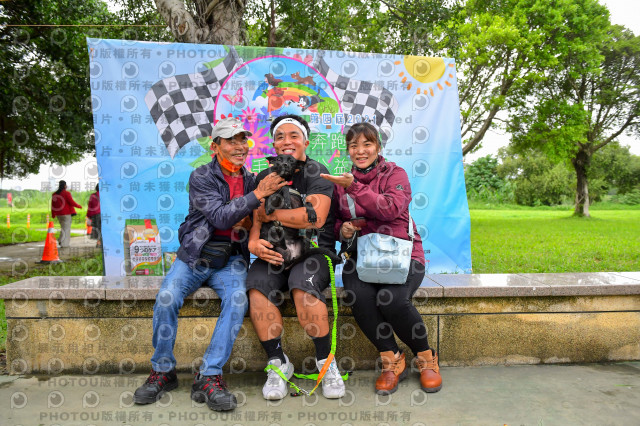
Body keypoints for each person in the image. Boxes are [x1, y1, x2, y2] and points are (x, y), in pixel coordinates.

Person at [133, 117, 286, 411]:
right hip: (194, 256)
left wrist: (252, 212)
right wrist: (254, 198)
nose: (240, 147)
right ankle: (163, 370)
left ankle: (210, 375)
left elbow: (257, 218)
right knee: (166, 298)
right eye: (231, 141)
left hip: (231, 259)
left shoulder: (253, 179)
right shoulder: (202, 176)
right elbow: (219, 217)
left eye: (243, 140)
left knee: (238, 300)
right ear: (215, 147)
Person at [321, 122, 442, 395]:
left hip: (402, 254)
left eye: (367, 144)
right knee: (359, 297)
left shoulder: (395, 173)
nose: (360, 151)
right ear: (348, 150)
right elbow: (336, 221)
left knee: (392, 299)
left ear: (378, 146)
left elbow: (390, 209)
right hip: (362, 256)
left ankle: (426, 359)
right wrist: (343, 229)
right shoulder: (340, 185)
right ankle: (392, 361)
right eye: (354, 146)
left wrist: (354, 188)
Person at [246, 114, 345, 400]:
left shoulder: (317, 172)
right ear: (274, 144)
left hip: (313, 252)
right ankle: (278, 364)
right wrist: (253, 242)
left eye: (293, 136)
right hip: (274, 251)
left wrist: (273, 215)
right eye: (280, 137)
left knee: (303, 289)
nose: (286, 141)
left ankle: (326, 363)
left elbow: (315, 218)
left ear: (305, 142)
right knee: (257, 292)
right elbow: (257, 216)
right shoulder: (265, 176)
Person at [51, 180, 82, 249]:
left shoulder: (54, 194)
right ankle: (64, 244)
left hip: (58, 214)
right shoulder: (66, 193)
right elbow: (71, 202)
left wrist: (53, 214)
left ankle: (60, 240)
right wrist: (78, 206)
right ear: (65, 186)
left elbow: (52, 205)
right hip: (66, 214)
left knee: (63, 228)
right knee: (66, 229)